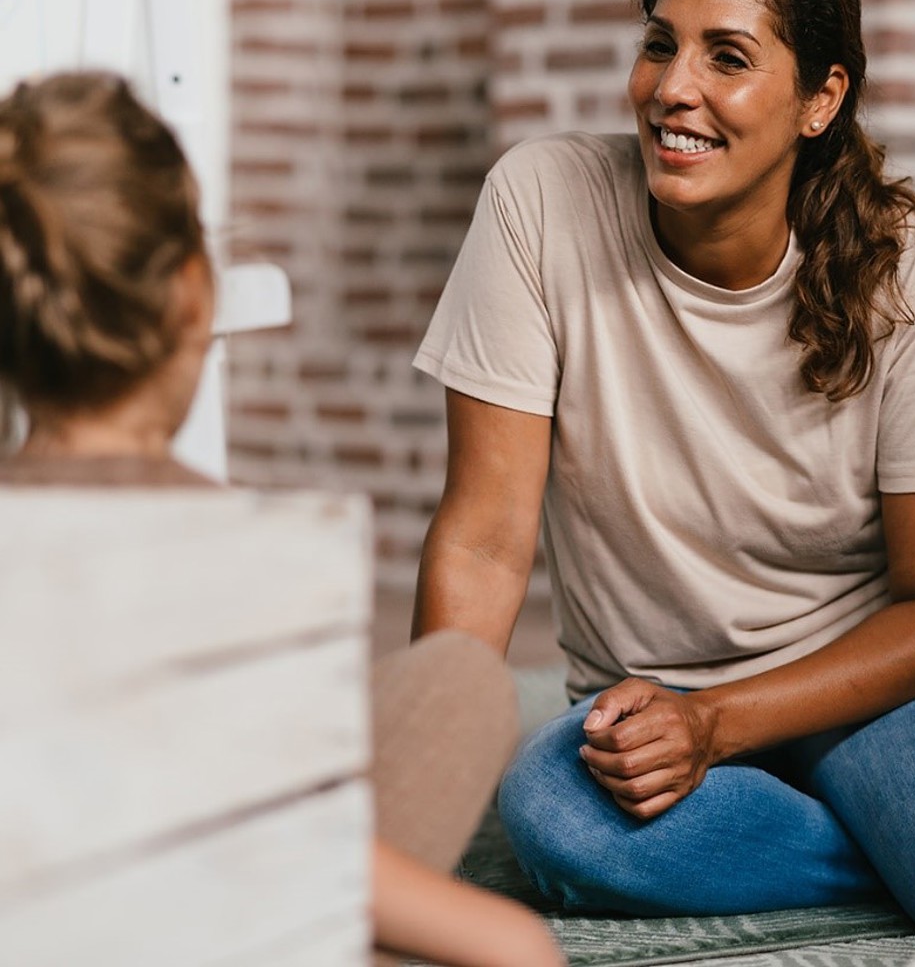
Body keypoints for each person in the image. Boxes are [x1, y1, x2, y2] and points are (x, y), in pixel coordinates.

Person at [411, 0, 915, 942]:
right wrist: (421, 791)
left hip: (884, 680)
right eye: (659, 43)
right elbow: (485, 537)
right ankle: (904, 854)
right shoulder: (540, 203)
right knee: (548, 810)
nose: (674, 87)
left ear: (821, 100)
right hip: (659, 686)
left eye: (728, 57)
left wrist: (718, 723)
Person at [0, 70, 564, 967]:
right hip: (183, 906)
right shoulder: (248, 560)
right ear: (195, 295)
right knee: (462, 693)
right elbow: (287, 848)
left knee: (453, 676)